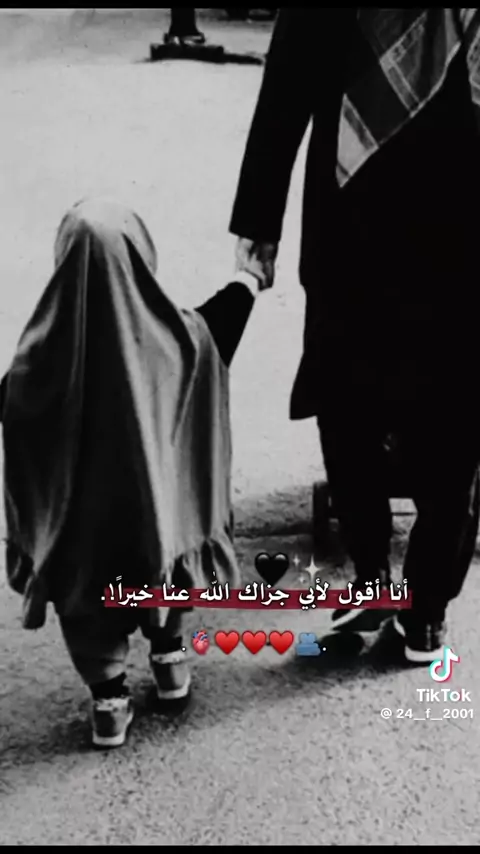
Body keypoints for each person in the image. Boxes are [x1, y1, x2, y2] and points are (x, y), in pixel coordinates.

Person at [229, 8, 480, 664]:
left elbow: (288, 77)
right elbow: (290, 76)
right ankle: (393, 590)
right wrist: (258, 215)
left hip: (419, 215)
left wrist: (260, 216)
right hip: (380, 217)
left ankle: (415, 600)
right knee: (357, 397)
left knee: (434, 409)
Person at [0, 198, 264, 748]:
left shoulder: (37, 365)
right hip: (156, 529)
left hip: (84, 545)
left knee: (87, 609)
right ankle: (168, 660)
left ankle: (109, 702)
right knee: (168, 572)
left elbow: (11, 408)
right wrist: (250, 276)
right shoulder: (182, 342)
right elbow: (223, 322)